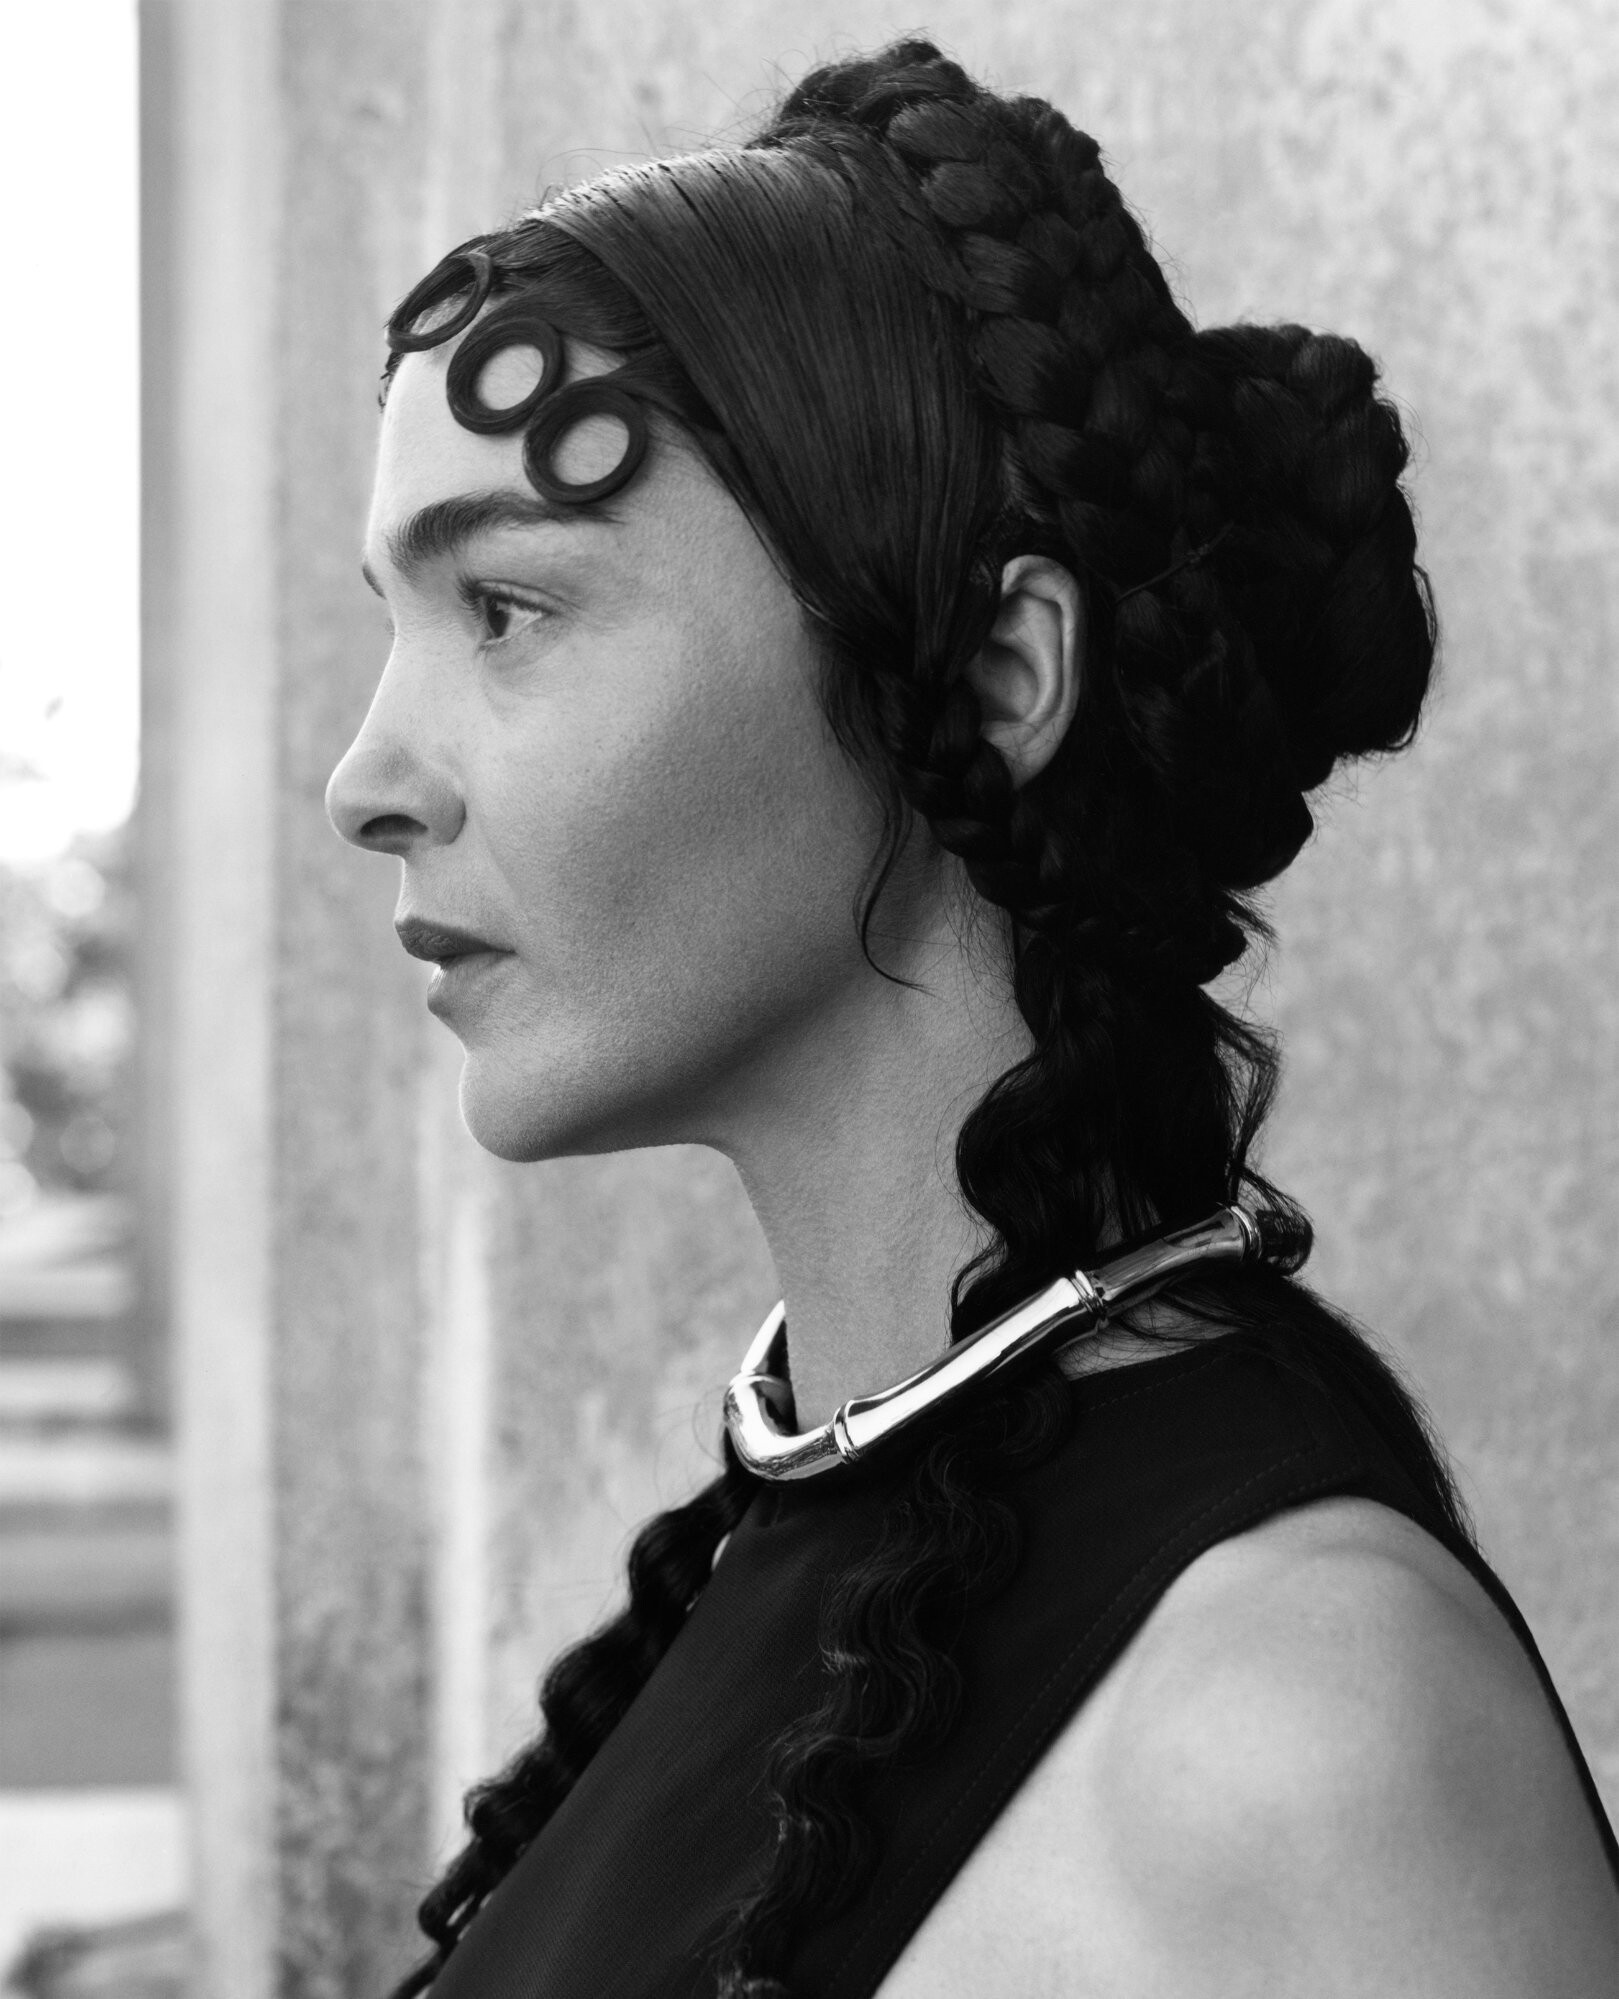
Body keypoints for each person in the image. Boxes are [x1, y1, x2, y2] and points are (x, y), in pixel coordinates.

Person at [325, 38, 1619, 1998]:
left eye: (507, 609)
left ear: (1001, 677)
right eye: (393, 618)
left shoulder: (1300, 1733)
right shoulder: (815, 1526)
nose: (365, 777)